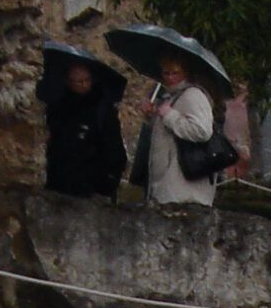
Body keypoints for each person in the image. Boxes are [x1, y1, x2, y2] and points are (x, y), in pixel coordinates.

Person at [133, 54, 218, 208]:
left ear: (185, 72)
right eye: (166, 73)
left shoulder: (193, 95)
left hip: (183, 184)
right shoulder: (170, 96)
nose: (170, 77)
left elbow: (202, 131)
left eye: (175, 73)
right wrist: (152, 116)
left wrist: (170, 116)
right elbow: (167, 134)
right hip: (169, 181)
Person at [41, 54, 126, 200]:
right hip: (62, 183)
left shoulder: (102, 108)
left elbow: (113, 147)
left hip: (94, 185)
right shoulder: (58, 109)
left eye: (87, 80)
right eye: (79, 82)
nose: (84, 85)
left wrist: (109, 182)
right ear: (69, 82)